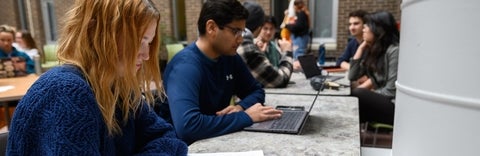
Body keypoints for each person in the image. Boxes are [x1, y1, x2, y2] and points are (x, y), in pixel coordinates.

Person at [7, 0, 188, 155]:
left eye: (148, 42)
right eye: (139, 41)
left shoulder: (118, 87)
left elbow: (168, 139)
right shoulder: (67, 93)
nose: (146, 54)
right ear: (99, 33)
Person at [158, 0, 283, 145]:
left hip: (215, 139)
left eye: (242, 32)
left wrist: (240, 107)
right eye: (235, 31)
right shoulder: (185, 67)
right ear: (211, 28)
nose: (241, 39)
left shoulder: (229, 57)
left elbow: (256, 91)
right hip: (182, 147)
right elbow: (188, 127)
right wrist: (246, 116)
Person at [348, 11, 400, 125]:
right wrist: (360, 49)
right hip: (383, 101)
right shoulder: (374, 50)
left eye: (367, 26)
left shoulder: (394, 51)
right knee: (350, 97)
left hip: (395, 107)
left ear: (379, 29)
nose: (364, 29)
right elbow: (352, 76)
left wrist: (370, 93)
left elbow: (391, 91)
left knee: (357, 94)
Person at [237, 13, 293, 88]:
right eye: (265, 28)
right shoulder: (251, 46)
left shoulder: (274, 46)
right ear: (259, 28)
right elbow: (276, 79)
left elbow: (277, 68)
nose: (268, 32)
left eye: (271, 28)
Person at [285, 0, 310, 71]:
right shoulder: (304, 13)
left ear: (296, 6)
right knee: (300, 54)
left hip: (300, 38)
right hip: (302, 37)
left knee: (298, 55)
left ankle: (300, 71)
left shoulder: (301, 14)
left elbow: (298, 27)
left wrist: (288, 26)